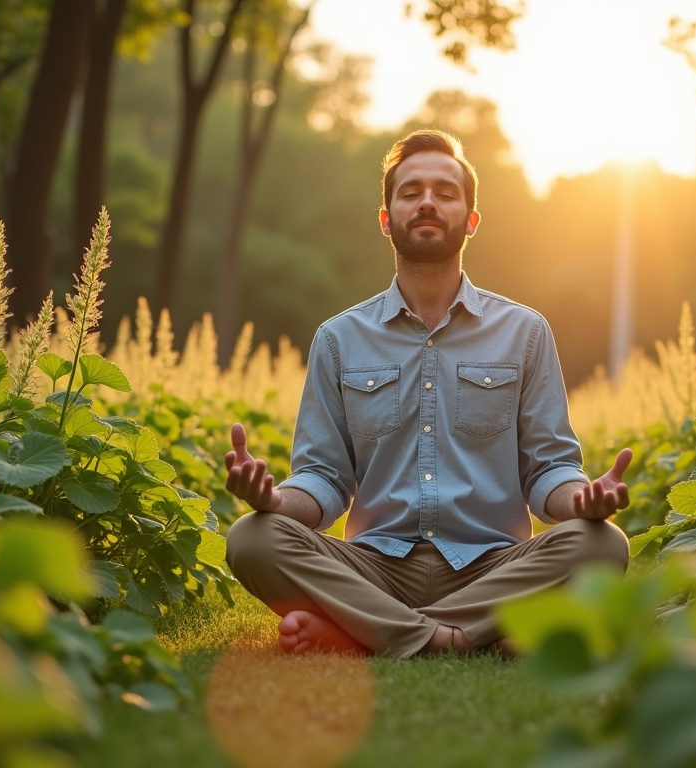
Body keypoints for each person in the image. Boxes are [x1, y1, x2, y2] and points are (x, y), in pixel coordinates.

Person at [223, 129, 632, 657]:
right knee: (251, 538)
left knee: (601, 544)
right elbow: (324, 480)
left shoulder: (525, 332)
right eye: (411, 191)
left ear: (471, 220)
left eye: (445, 191)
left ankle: (367, 635)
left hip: (493, 566)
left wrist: (581, 500)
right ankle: (468, 638)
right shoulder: (338, 338)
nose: (428, 203)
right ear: (386, 218)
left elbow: (547, 468)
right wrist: (274, 501)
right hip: (373, 568)